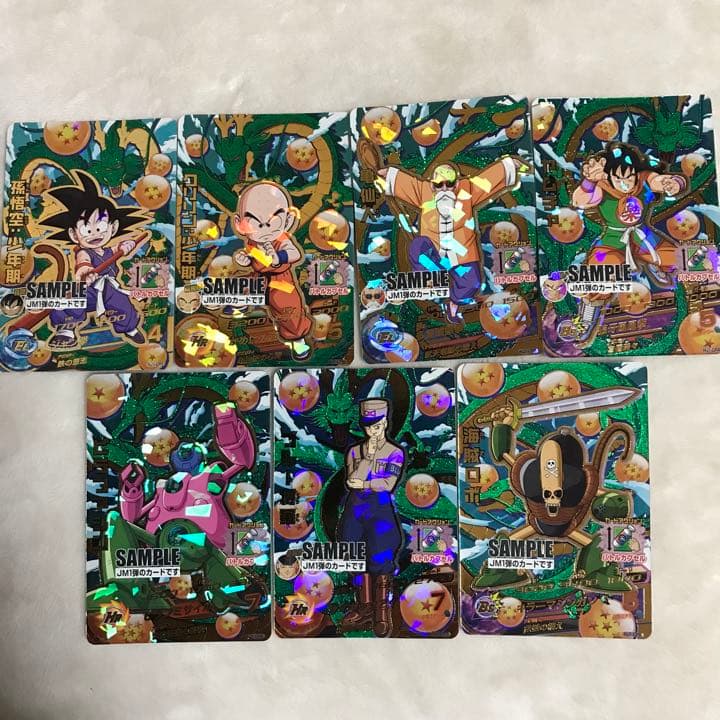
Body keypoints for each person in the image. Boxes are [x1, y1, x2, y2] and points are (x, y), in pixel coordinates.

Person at [561, 142, 688, 345]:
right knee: (598, 275)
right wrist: (589, 181)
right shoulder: (602, 186)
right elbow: (579, 201)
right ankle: (586, 320)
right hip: (612, 241)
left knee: (677, 258)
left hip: (643, 236)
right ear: (609, 176)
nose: (625, 183)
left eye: (629, 177)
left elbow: (660, 181)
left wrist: (673, 182)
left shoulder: (643, 180)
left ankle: (658, 268)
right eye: (618, 178)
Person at [378, 157, 523, 323]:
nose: (444, 188)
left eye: (449, 184)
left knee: (472, 284)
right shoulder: (424, 192)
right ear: (432, 185)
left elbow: (487, 181)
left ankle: (454, 303)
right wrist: (388, 174)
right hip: (434, 257)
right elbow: (406, 184)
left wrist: (508, 166)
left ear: (456, 183)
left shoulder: (467, 191)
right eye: (439, 184)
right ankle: (428, 278)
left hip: (461, 257)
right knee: (418, 246)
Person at [40, 170, 148, 348]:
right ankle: (66, 331)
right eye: (86, 230)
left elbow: (118, 248)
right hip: (88, 291)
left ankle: (130, 328)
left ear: (113, 228)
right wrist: (86, 272)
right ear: (74, 234)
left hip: (109, 289)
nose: (94, 234)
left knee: (121, 302)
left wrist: (126, 245)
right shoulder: (83, 252)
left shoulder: (108, 249)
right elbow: (83, 263)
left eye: (100, 227)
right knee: (70, 302)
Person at [337, 399, 405, 636]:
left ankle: (382, 610)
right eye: (368, 426)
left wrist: (366, 483)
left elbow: (388, 484)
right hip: (356, 508)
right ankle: (364, 608)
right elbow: (351, 480)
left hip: (380, 509)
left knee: (382, 553)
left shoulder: (395, 452)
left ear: (385, 423)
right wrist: (368, 458)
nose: (372, 431)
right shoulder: (355, 451)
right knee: (354, 551)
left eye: (376, 425)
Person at [232, 181, 313, 360]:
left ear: (288, 220)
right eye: (255, 222)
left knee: (288, 309)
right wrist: (245, 260)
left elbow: (294, 253)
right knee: (239, 284)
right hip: (259, 277)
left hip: (281, 281)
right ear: (240, 224)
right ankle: (240, 306)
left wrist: (279, 257)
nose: (264, 227)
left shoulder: (281, 239)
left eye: (272, 220)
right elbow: (253, 257)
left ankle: (297, 339)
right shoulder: (252, 241)